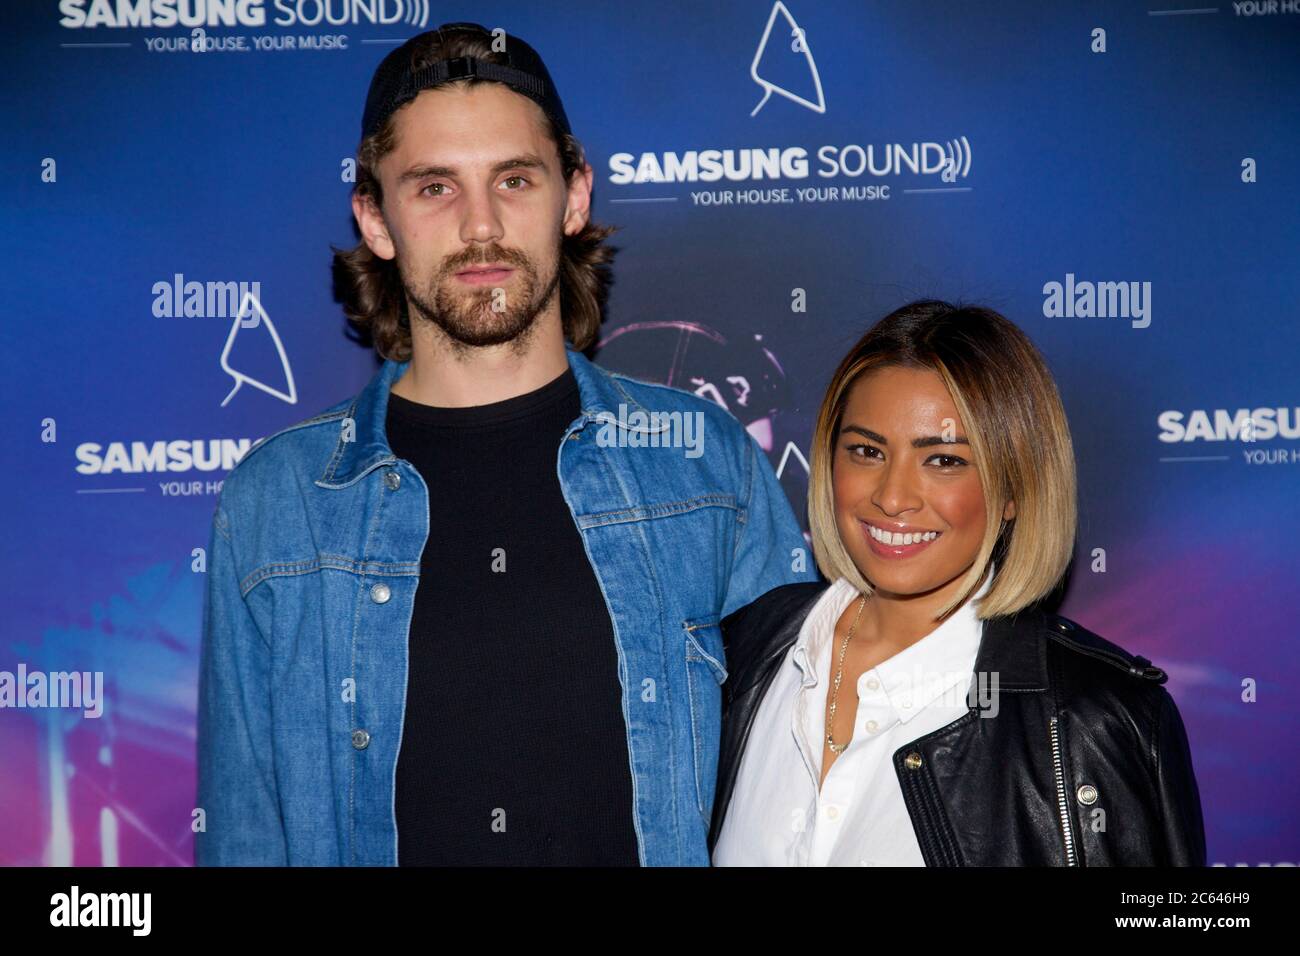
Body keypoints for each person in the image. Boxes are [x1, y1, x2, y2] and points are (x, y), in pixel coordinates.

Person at [195, 23, 813, 867]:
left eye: (514, 179)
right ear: (375, 219)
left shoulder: (705, 461)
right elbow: (245, 839)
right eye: (435, 187)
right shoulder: (280, 501)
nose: (480, 226)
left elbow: (802, 794)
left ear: (575, 196)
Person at [709, 300, 1206, 866]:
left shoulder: (1096, 721)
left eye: (943, 460)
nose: (892, 497)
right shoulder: (741, 652)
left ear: (1016, 486)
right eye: (867, 451)